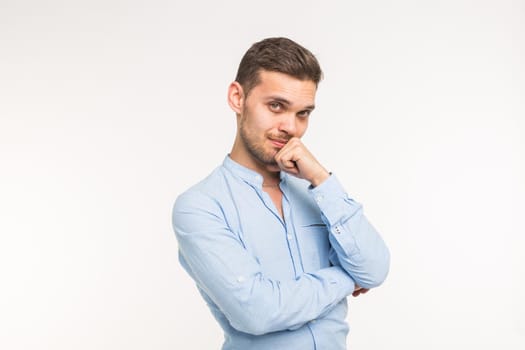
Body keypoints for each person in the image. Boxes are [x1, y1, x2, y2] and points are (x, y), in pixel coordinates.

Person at [172, 37, 390, 350]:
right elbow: (258, 311)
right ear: (238, 97)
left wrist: (320, 177)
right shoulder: (200, 207)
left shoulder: (318, 192)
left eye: (303, 113)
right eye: (276, 106)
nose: (291, 127)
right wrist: (346, 279)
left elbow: (375, 267)